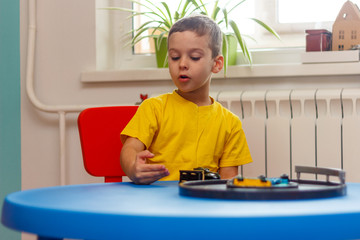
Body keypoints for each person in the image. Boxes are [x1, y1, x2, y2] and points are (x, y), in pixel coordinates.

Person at [120, 14, 252, 184]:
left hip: (203, 204)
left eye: (194, 57)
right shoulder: (153, 107)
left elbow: (228, 181)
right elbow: (130, 148)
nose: (182, 64)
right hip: (156, 204)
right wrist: (133, 167)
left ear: (217, 64)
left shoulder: (230, 124)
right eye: (175, 57)